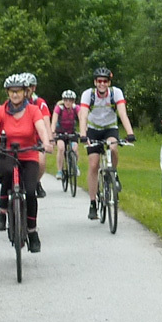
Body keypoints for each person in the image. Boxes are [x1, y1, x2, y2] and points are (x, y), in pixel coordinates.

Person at [0, 73, 53, 251]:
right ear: (7, 93)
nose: (15, 95)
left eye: (18, 91)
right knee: (7, 172)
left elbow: (41, 128)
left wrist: (46, 143)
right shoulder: (0, 110)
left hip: (28, 154)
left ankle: (32, 232)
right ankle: (2, 212)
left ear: (25, 92)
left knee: (31, 191)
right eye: (12, 91)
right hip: (6, 153)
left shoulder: (33, 110)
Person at [80, 66, 134, 220]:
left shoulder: (116, 93)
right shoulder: (88, 95)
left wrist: (130, 133)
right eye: (99, 81)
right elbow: (83, 115)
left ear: (109, 83)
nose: (102, 84)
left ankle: (113, 173)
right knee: (93, 164)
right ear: (95, 82)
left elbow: (122, 113)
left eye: (105, 81)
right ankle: (93, 203)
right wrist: (83, 134)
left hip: (110, 128)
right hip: (93, 129)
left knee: (113, 147)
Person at [23, 74, 48, 198]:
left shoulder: (39, 102)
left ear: (34, 88)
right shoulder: (15, 102)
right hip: (20, 139)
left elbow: (46, 120)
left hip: (36, 138)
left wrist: (48, 139)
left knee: (41, 163)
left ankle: (36, 181)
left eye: (30, 87)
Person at [51, 88, 81, 181]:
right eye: (66, 100)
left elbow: (82, 119)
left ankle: (75, 165)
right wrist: (53, 132)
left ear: (73, 101)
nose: (68, 102)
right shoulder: (59, 108)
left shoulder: (76, 108)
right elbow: (54, 121)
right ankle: (60, 171)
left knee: (75, 148)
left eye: (70, 100)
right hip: (60, 132)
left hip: (72, 132)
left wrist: (84, 131)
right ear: (63, 100)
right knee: (61, 148)